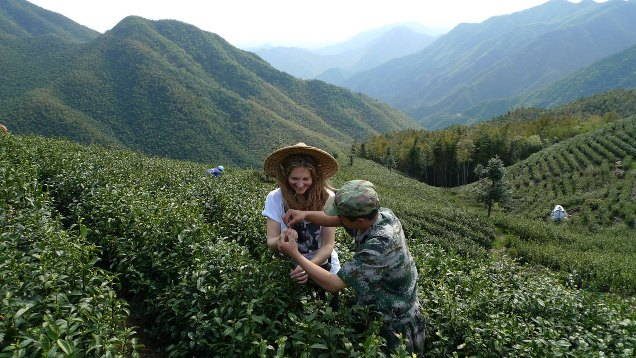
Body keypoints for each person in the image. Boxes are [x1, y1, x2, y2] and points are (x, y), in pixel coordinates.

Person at [279, 180, 425, 355]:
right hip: (379, 308)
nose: (338, 218)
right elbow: (337, 220)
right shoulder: (383, 215)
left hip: (396, 323)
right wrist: (304, 215)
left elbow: (334, 283)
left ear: (360, 220)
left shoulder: (379, 245)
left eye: (342, 216)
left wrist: (295, 254)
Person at [262, 142, 341, 287]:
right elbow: (271, 241)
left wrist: (308, 266)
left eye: (305, 179)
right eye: (294, 179)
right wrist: (281, 239)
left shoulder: (328, 198)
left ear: (314, 178)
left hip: (323, 266)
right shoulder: (275, 198)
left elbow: (328, 245)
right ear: (286, 177)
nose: (300, 184)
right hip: (291, 267)